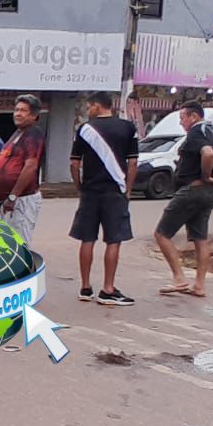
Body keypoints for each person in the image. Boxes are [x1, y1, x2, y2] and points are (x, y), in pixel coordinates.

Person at [69, 90, 137, 305]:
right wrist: (127, 190)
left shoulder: (85, 129)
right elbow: (133, 162)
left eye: (89, 107)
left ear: (97, 106)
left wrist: (79, 186)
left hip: (90, 191)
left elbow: (74, 163)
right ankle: (108, 289)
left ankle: (85, 287)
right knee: (113, 239)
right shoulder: (127, 128)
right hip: (114, 191)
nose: (89, 110)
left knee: (87, 238)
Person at [154, 102, 213, 298]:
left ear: (193, 116)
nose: (181, 122)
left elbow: (208, 153)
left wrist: (204, 173)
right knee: (200, 239)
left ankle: (179, 278)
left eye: (182, 118)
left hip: (192, 189)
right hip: (208, 192)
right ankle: (199, 285)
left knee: (162, 234)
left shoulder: (196, 131)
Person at [0, 94, 43, 245]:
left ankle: (23, 270)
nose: (18, 114)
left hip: (21, 200)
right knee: (5, 244)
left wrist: (13, 196)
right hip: (7, 201)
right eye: (16, 110)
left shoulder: (33, 134)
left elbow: (30, 166)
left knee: (19, 244)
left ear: (34, 115)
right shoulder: (18, 134)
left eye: (23, 111)